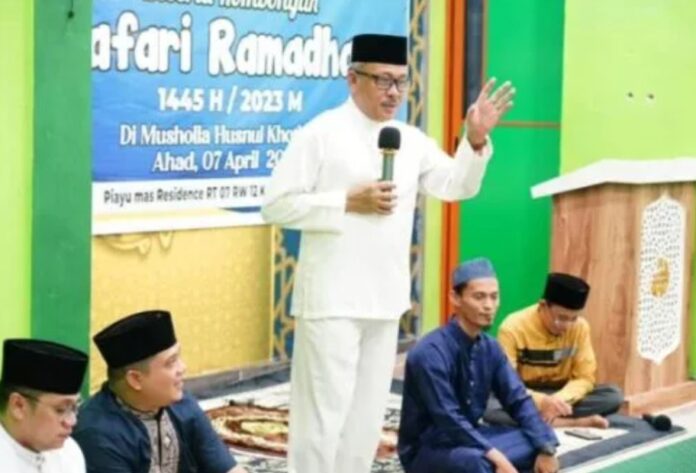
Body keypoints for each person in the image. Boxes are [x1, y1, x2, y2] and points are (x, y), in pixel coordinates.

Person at [261, 33, 514, 473]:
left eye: (401, 81)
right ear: (352, 79)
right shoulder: (320, 134)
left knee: (365, 420)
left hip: (384, 300)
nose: (394, 92)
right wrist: (345, 201)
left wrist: (474, 141)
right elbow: (276, 205)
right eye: (382, 80)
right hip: (331, 301)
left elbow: (456, 186)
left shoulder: (410, 140)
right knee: (322, 420)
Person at [398, 258, 559, 473]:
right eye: (479, 297)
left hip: (473, 437)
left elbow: (518, 399)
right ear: (455, 298)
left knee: (538, 438)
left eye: (494, 297)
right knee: (477, 462)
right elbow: (448, 417)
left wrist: (545, 447)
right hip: (430, 447)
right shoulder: (429, 352)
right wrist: (496, 457)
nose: (489, 306)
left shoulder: (490, 347)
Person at [73, 310, 247, 473]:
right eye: (171, 362)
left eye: (178, 357)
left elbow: (227, 468)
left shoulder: (183, 405)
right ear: (135, 379)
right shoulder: (97, 434)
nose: (183, 368)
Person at [489, 273, 623, 429]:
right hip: (524, 393)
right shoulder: (512, 327)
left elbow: (585, 378)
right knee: (489, 407)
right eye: (561, 318)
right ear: (543, 306)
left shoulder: (580, 327)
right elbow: (507, 382)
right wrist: (542, 402)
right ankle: (574, 423)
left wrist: (559, 401)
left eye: (573, 319)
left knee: (613, 396)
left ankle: (536, 420)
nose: (567, 326)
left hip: (561, 393)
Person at [0, 338, 88, 472]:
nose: (72, 421)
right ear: (18, 406)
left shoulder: (69, 453)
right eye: (61, 410)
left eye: (74, 408)